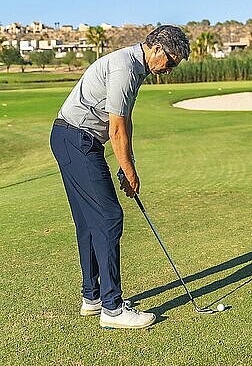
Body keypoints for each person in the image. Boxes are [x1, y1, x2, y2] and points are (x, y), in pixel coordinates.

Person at [50, 25, 190, 329]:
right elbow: (115, 129)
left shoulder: (135, 67)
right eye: (170, 62)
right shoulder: (126, 67)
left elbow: (124, 122)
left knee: (89, 221)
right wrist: (129, 172)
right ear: (156, 49)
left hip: (69, 138)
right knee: (110, 218)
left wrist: (130, 163)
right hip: (77, 140)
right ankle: (112, 309)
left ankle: (93, 297)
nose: (169, 69)